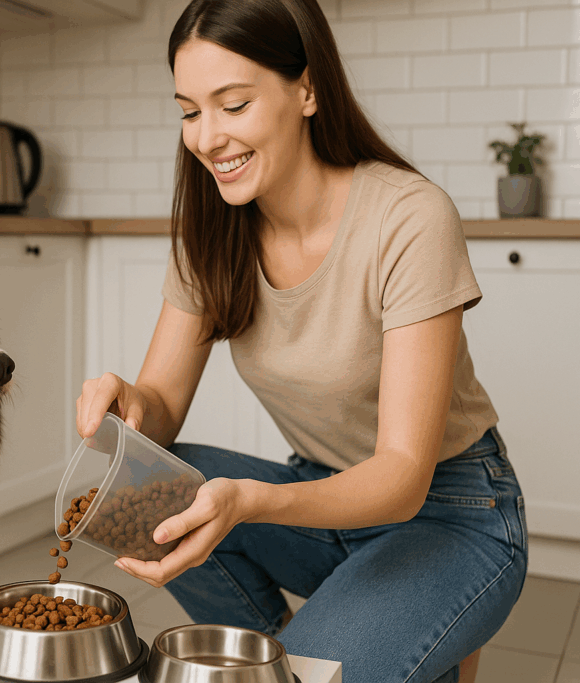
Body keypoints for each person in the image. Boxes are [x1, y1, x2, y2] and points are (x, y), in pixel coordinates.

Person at [74, 1, 527, 682]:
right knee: (150, 486)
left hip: (451, 509)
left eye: (233, 104)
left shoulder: (408, 216)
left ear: (308, 90)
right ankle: (344, 641)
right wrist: (128, 404)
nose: (206, 137)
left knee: (301, 666)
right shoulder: (212, 231)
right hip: (323, 495)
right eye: (190, 111)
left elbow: (403, 477)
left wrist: (252, 500)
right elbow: (161, 409)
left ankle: (393, 628)